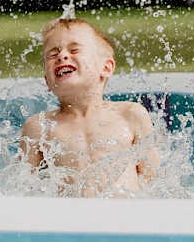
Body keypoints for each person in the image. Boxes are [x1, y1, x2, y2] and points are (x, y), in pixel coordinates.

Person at [19, 17, 159, 197]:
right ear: (47, 80)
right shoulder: (39, 127)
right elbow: (22, 191)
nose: (62, 56)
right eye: (53, 55)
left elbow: (154, 182)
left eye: (74, 50)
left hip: (126, 217)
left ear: (106, 68)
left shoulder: (130, 115)